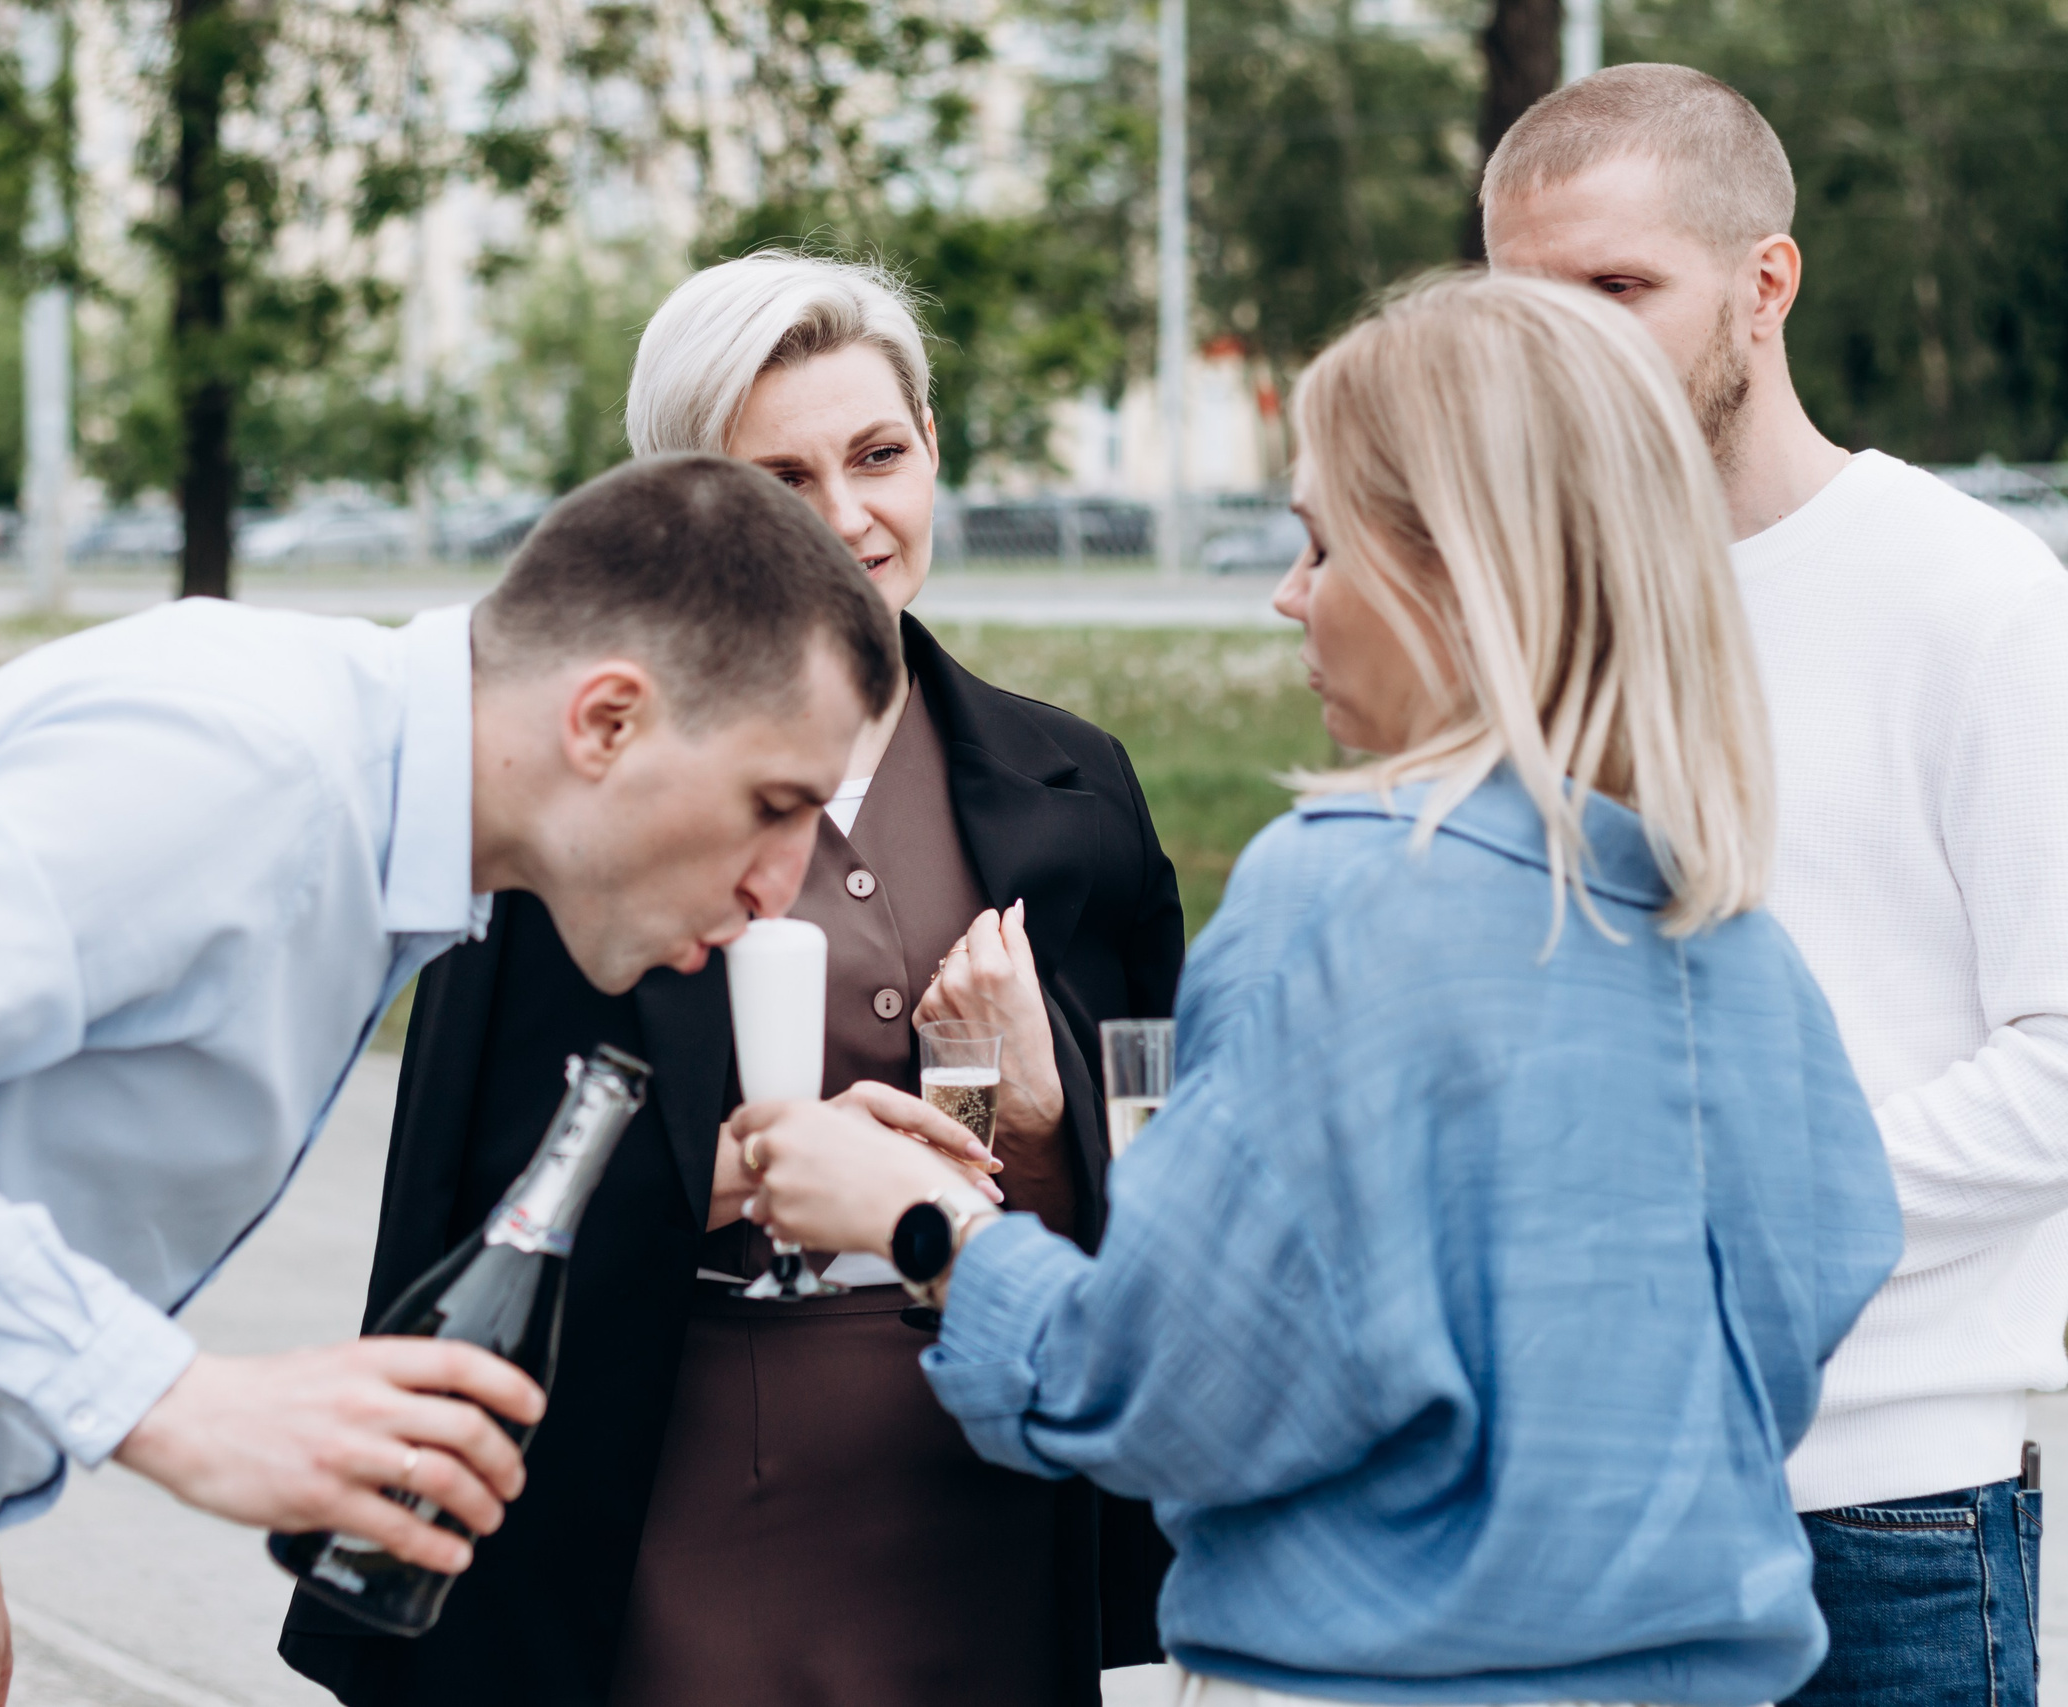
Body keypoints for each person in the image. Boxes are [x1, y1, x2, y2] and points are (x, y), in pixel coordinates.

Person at [0, 453, 901, 1707]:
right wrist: (168, 1401)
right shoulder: (248, 760)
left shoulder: (348, 806)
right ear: (607, 719)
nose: (776, 890)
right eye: (773, 805)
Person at [733, 270, 1905, 1707]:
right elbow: (1814, 1287)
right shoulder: (1721, 922)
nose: (1289, 593)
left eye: (1321, 544)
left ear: (1452, 574)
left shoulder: (1334, 897)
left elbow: (1160, 1388)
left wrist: (922, 1218)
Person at [281, 252, 1185, 1707]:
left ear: (933, 447)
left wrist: (1040, 1109)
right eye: (783, 480)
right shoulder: (575, 795)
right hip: (681, 1519)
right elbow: (476, 1200)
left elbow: (1176, 1204)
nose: (847, 518)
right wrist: (737, 1170)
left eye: (879, 455)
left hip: (998, 1512)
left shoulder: (1079, 788)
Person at [1483, 65, 2068, 1707]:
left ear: (1767, 282)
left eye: (1621, 288)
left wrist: (1726, 1200)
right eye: (1530, 305)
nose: (1574, 348)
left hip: (1881, 1509)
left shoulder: (1975, 597)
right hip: (1570, 1500)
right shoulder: (1530, 616)